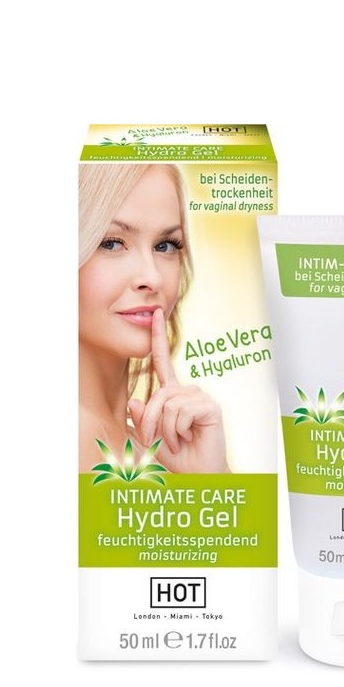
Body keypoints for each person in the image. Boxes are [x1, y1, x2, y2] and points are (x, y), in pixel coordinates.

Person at [79, 163, 229, 473]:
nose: (152, 277)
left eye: (165, 246)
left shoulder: (149, 446)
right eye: (111, 243)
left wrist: (211, 480)